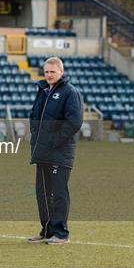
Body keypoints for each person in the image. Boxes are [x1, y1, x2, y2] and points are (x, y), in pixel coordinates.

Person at [28, 56, 83, 245]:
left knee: (58, 193)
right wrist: (36, 137)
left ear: (61, 72)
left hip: (60, 152)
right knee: (42, 193)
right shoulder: (43, 90)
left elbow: (74, 122)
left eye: (53, 72)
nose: (49, 75)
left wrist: (53, 140)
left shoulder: (70, 92)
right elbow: (34, 115)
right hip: (42, 151)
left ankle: (61, 234)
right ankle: (47, 230)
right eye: (47, 72)